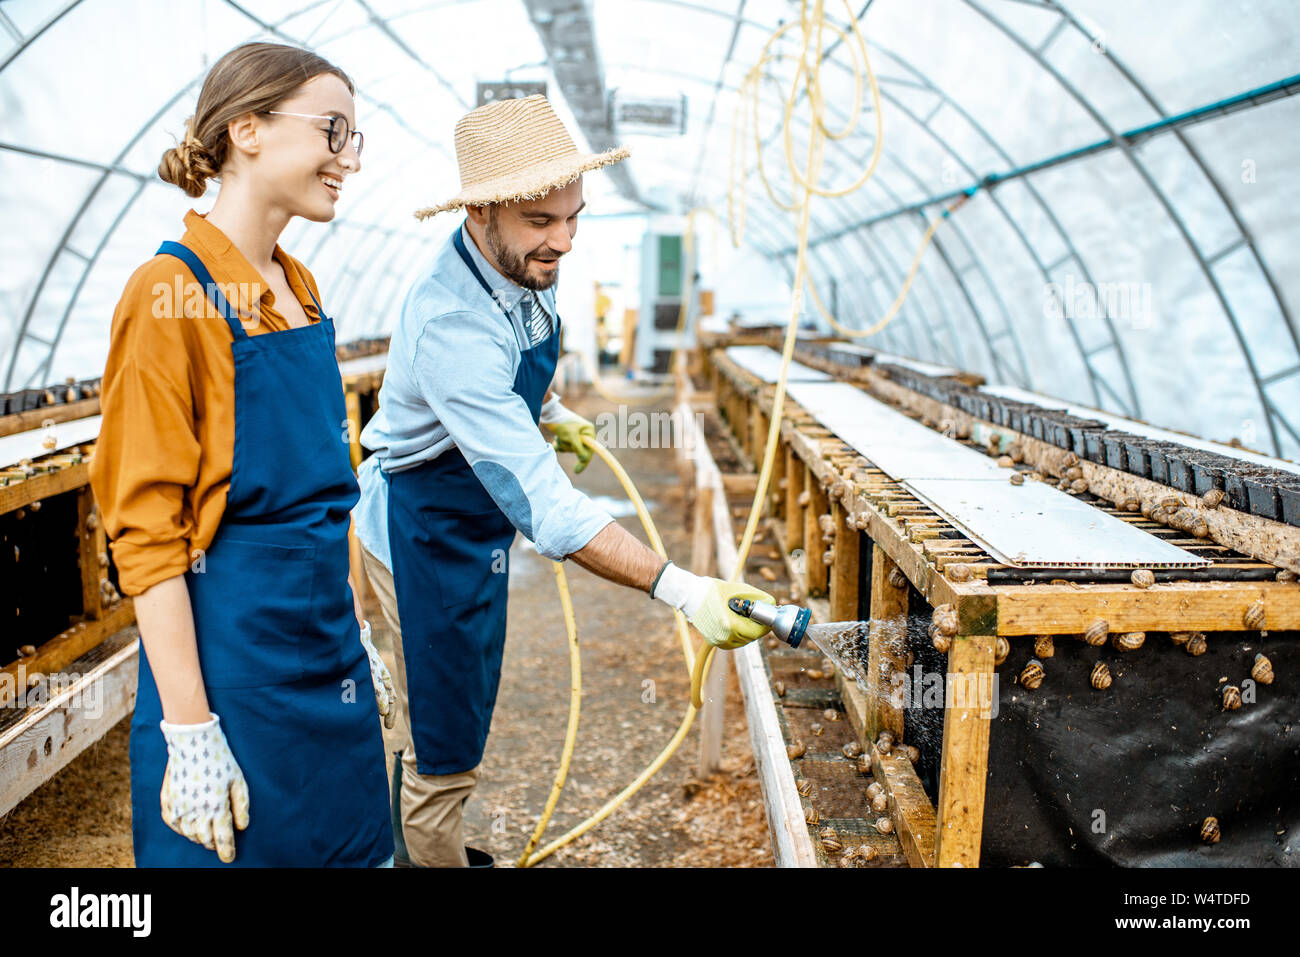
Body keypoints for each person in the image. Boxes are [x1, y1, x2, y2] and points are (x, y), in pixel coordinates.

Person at [353, 95, 773, 868]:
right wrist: (684, 589)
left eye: (575, 216)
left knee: (464, 700)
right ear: (481, 211)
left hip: (470, 521)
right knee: (440, 731)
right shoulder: (450, 321)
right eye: (542, 222)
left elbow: (526, 358)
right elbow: (548, 511)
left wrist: (551, 409)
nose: (565, 241)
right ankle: (421, 851)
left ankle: (418, 840)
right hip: (422, 526)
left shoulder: (524, 267)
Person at [89, 42, 395, 867]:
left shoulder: (301, 287)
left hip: (327, 649)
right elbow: (146, 539)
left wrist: (359, 632)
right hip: (235, 671)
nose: (348, 159)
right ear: (247, 128)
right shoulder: (169, 294)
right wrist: (190, 726)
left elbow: (335, 495)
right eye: (335, 130)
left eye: (355, 139)